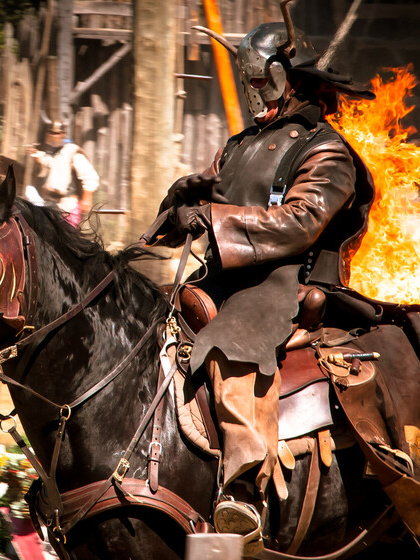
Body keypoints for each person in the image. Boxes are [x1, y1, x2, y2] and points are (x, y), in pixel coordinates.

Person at [141, 20, 379, 555]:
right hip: (220, 276)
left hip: (282, 284)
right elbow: (207, 198)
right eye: (248, 84)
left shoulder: (328, 152)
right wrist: (182, 209)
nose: (253, 95)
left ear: (287, 79)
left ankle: (242, 486)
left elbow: (300, 222)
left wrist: (216, 219)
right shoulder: (239, 144)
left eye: (260, 83)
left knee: (232, 342)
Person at [26, 121, 99, 227]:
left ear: (63, 134)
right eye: (51, 132)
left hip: (68, 203)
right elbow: (50, 162)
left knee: (68, 236)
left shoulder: (72, 151)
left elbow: (90, 176)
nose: (54, 135)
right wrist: (36, 156)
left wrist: (87, 198)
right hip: (50, 203)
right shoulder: (49, 152)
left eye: (57, 133)